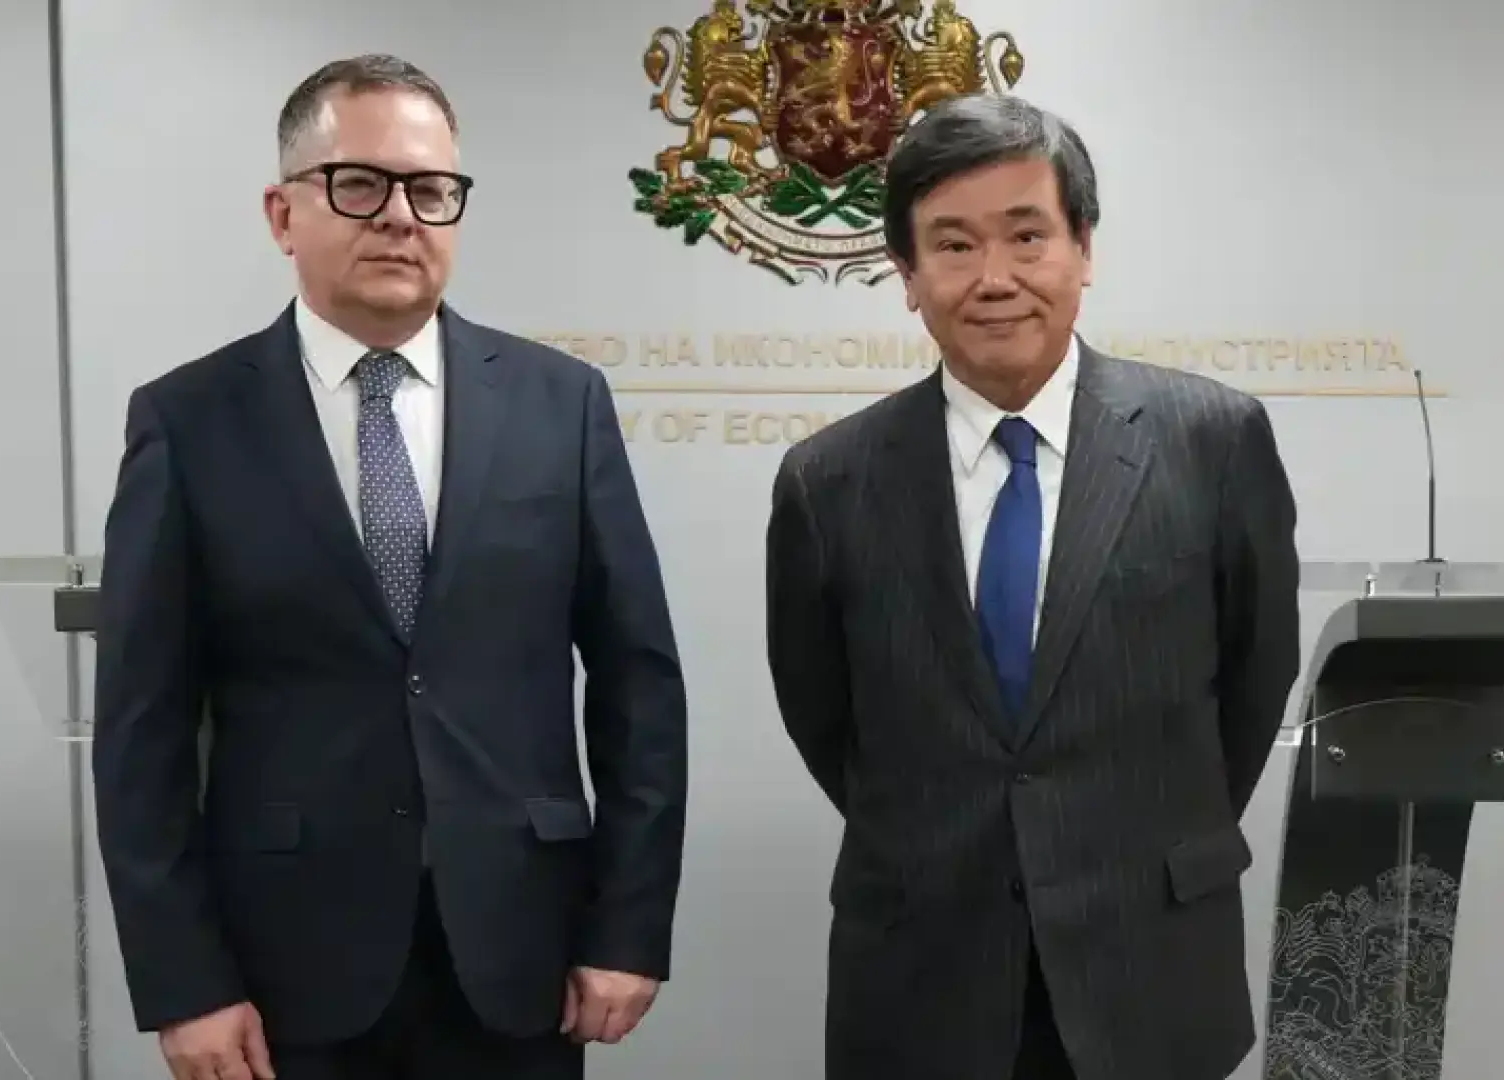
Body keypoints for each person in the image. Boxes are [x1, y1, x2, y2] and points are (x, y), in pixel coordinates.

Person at [92, 54, 687, 1080]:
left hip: (519, 951)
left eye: (431, 189)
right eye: (359, 184)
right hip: (281, 966)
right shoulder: (189, 420)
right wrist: (183, 980)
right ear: (283, 214)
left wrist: (628, 926)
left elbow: (640, 685)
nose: (400, 217)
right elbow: (141, 729)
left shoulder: (562, 404)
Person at [764, 93, 1301, 1080]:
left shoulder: (1213, 442)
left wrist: (1129, 832)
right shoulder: (828, 482)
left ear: (1083, 249)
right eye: (953, 245)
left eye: (1026, 236)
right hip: (922, 974)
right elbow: (824, 718)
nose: (994, 278)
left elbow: (1253, 679)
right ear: (907, 275)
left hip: (1148, 960)